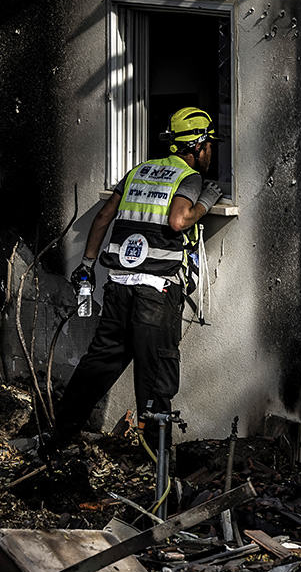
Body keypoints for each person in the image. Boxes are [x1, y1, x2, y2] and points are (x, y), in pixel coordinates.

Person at [49, 106, 225, 449]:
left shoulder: (138, 171)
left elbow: (103, 217)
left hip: (119, 287)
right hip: (155, 295)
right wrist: (206, 200)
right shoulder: (188, 177)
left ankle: (57, 440)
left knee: (98, 366)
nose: (211, 153)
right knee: (155, 379)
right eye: (209, 146)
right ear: (197, 146)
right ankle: (156, 463)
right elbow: (179, 221)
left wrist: (87, 265)